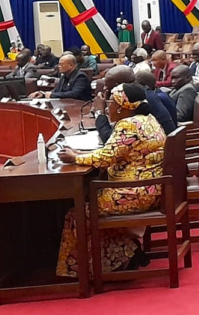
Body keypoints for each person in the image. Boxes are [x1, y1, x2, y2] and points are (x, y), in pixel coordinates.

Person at [55, 83, 166, 277]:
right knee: (90, 199)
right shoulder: (148, 119)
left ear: (122, 107)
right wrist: (80, 153)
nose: (107, 107)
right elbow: (114, 153)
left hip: (133, 193)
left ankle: (84, 272)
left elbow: (105, 158)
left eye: (110, 103)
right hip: (149, 189)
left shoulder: (128, 125)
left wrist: (74, 158)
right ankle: (126, 256)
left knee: (78, 212)